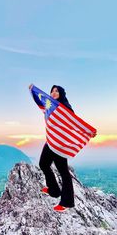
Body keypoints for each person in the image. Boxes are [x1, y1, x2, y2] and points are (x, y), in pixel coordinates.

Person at [29, 84, 75, 212]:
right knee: (43, 164)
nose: (54, 93)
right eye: (52, 91)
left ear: (61, 93)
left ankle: (66, 202)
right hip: (50, 141)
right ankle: (54, 190)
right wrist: (32, 90)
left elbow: (75, 123)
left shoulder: (65, 107)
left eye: (57, 91)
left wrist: (88, 132)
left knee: (64, 172)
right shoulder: (50, 106)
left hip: (60, 143)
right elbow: (40, 100)